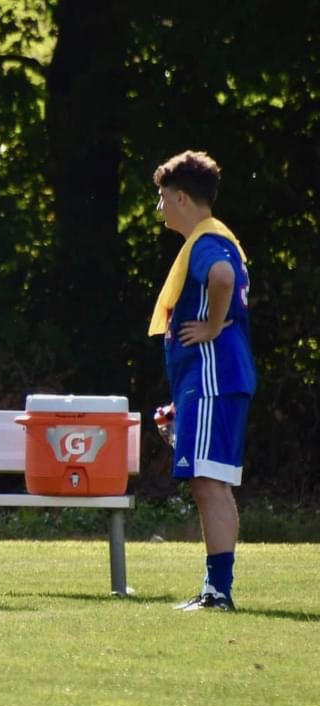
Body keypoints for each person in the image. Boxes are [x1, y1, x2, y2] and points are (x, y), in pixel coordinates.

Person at [149, 150, 254, 612]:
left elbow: (222, 277)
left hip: (213, 378)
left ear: (184, 199)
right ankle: (218, 587)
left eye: (163, 198)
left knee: (208, 483)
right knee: (214, 482)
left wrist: (212, 326)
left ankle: (217, 592)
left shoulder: (208, 244)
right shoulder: (215, 238)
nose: (159, 208)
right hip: (214, 381)